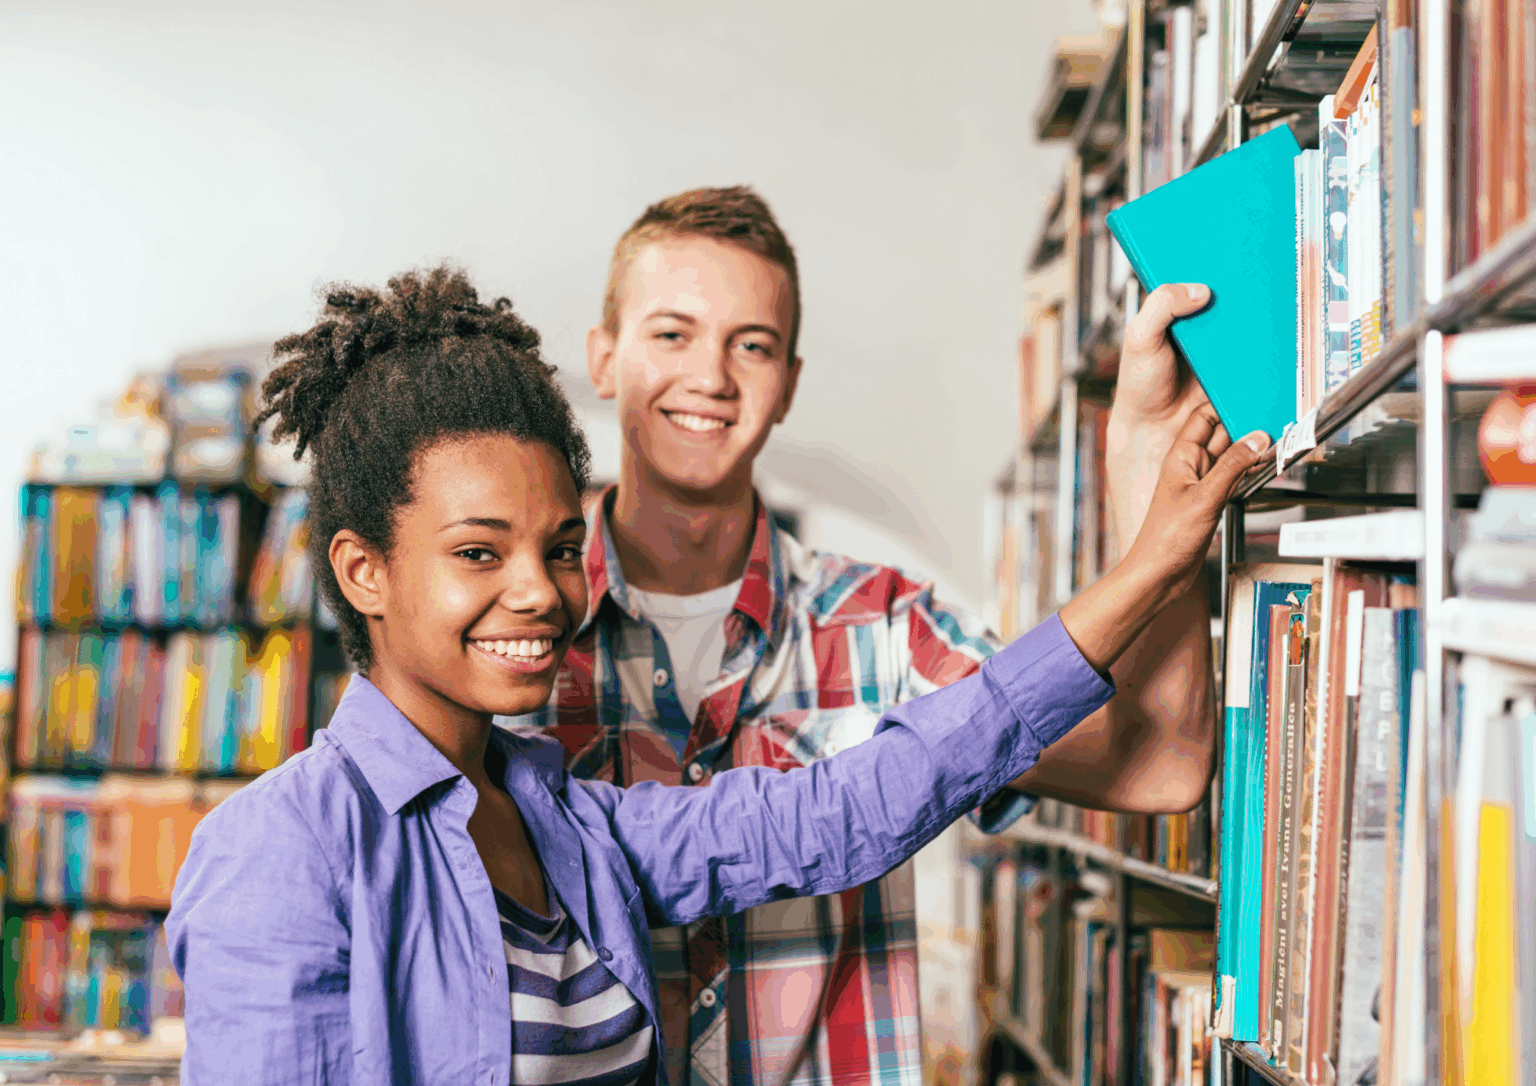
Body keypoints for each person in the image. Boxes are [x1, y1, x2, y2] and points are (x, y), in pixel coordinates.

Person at [166, 265, 1269, 1085]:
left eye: (557, 547)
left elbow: (854, 808)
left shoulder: (573, 828)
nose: (542, 592)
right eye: (475, 553)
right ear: (362, 570)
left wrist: (1154, 561)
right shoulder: (282, 849)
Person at [517, 186, 1234, 1084]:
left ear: (789, 384)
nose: (711, 375)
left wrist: (1142, 467)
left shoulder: (889, 624)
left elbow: (1160, 763)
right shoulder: (513, 633)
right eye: (672, 333)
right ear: (604, 356)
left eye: (753, 344)